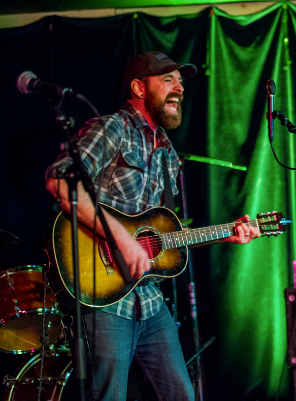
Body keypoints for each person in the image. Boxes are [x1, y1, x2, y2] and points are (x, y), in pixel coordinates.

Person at [45, 51, 261, 400]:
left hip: (148, 298)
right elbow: (60, 182)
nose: (180, 88)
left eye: (181, 82)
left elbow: (161, 236)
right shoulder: (112, 128)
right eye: (168, 79)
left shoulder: (168, 155)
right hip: (103, 293)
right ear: (139, 88)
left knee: (181, 394)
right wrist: (121, 238)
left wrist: (226, 234)